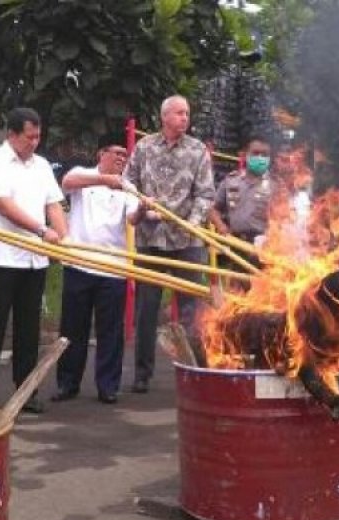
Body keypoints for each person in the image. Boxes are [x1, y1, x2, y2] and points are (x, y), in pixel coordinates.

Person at [0, 107, 68, 413]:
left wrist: (63, 237)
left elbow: (54, 204)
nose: (35, 142)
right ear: (11, 134)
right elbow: (4, 206)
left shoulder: (41, 166)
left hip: (33, 259)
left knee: (29, 328)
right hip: (0, 256)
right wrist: (41, 230)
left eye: (38, 136)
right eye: (29, 136)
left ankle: (27, 391)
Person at [123, 95, 214, 393]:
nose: (185, 118)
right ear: (164, 117)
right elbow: (128, 183)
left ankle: (196, 372)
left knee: (192, 310)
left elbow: (205, 194)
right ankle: (142, 375)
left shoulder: (198, 150)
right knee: (147, 309)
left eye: (187, 113)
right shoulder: (145, 147)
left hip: (186, 240)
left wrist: (194, 222)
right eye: (179, 113)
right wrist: (139, 208)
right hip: (151, 239)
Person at [51, 133, 140, 404]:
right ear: (101, 154)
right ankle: (68, 383)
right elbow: (66, 183)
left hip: (113, 268)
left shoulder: (128, 187)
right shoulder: (83, 174)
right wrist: (104, 180)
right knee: (72, 329)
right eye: (116, 154)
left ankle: (108, 386)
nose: (121, 160)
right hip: (79, 265)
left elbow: (133, 217)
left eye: (125, 156)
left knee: (110, 332)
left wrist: (145, 210)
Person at [209, 136, 276, 253]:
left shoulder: (275, 186)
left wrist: (270, 237)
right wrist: (221, 226)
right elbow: (213, 208)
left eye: (265, 155)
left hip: (263, 247)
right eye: (255, 153)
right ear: (245, 155)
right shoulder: (231, 180)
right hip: (234, 243)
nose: (260, 158)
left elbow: (284, 220)